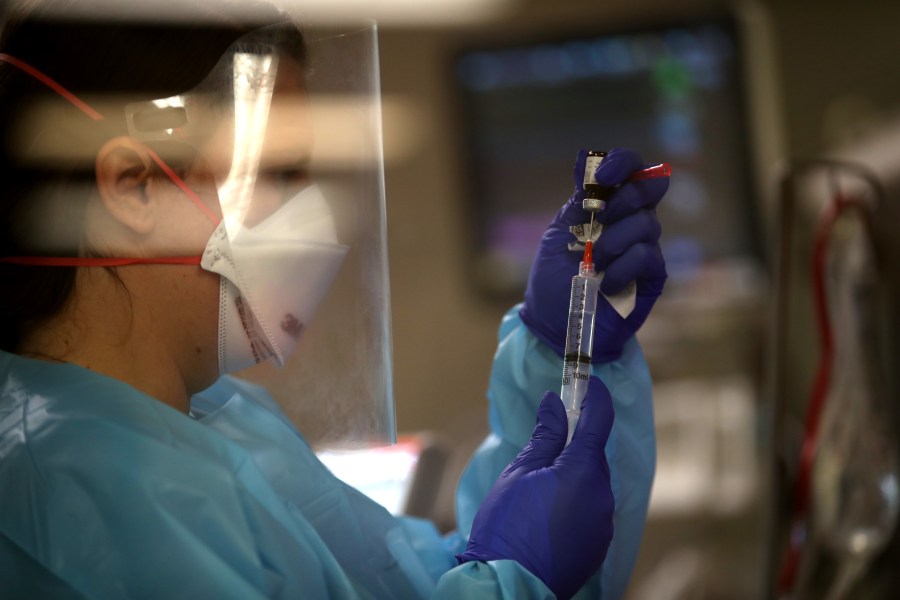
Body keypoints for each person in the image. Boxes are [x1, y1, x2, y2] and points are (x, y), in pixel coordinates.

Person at [0, 1, 668, 598]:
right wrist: (513, 584)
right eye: (280, 171)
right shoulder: (80, 502)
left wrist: (565, 354)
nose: (310, 213)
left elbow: (422, 579)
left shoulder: (216, 419)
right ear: (134, 188)